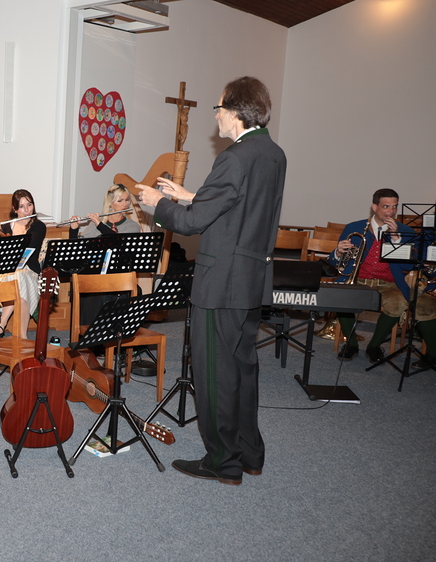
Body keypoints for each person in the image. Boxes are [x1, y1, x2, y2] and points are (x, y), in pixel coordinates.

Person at [138, 76, 287, 485]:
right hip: (250, 279)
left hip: (220, 283)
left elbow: (192, 224)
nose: (216, 116)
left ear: (236, 112)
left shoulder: (234, 157)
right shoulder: (272, 153)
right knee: (242, 369)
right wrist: (189, 195)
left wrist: (159, 204)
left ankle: (223, 461)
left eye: (219, 108)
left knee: (214, 374)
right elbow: (239, 205)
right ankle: (250, 453)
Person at [329, 189, 436, 367]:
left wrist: (396, 240)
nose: (391, 211)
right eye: (386, 206)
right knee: (341, 297)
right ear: (374, 207)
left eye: (394, 207)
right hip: (358, 280)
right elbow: (334, 262)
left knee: (398, 303)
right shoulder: (354, 228)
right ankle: (351, 344)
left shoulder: (405, 231)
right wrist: (338, 253)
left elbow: (410, 266)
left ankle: (374, 346)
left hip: (388, 283)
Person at [0, 189, 47, 336]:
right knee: (17, 280)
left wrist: (4, 236)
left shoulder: (38, 226)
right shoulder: (6, 227)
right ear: (15, 209)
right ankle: (22, 336)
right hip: (7, 273)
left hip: (30, 272)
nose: (27, 210)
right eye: (22, 206)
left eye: (29, 205)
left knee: (19, 278)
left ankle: (1, 324)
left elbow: (28, 247)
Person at [78, 184, 147, 236]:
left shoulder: (131, 226)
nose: (125, 204)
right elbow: (81, 245)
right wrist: (74, 229)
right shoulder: (96, 223)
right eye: (120, 201)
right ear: (110, 203)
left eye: (127, 200)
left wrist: (100, 225)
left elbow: (116, 241)